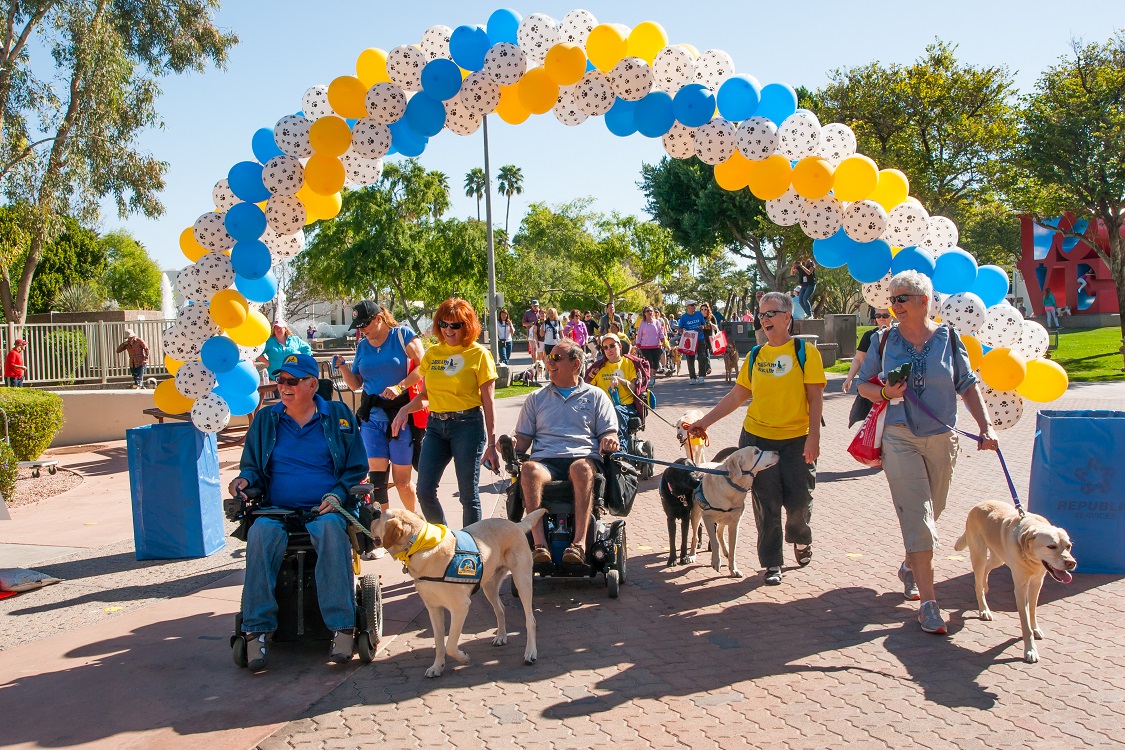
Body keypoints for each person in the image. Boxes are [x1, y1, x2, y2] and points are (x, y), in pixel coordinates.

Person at [857, 270, 998, 635]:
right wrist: (887, 394)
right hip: (898, 435)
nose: (895, 305)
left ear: (924, 301)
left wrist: (985, 427)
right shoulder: (883, 339)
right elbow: (863, 386)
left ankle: (910, 564)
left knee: (934, 511)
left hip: (942, 437)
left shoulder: (949, 340)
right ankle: (929, 603)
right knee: (918, 517)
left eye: (902, 298)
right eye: (892, 299)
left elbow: (967, 385)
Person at [228, 353, 368, 670]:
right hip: (277, 510)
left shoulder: (338, 416)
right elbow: (252, 467)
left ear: (311, 384)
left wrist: (338, 493)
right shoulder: (266, 420)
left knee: (332, 532)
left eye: (292, 381)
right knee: (261, 534)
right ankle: (256, 631)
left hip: (326, 508)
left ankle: (343, 627)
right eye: (280, 380)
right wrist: (243, 480)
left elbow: (356, 468)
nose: (284, 387)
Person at [686, 291, 825, 587]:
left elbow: (815, 397)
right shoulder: (756, 356)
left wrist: (814, 438)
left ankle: (801, 538)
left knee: (800, 503)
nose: (764, 319)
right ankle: (772, 562)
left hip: (797, 440)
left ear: (788, 317)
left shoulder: (805, 353)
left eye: (771, 313)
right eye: (761, 314)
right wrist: (704, 422)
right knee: (767, 504)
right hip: (757, 441)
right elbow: (738, 395)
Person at [391, 298, 499, 528]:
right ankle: (444, 540)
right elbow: (426, 396)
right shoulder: (433, 354)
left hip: (467, 425)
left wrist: (492, 443)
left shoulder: (479, 355)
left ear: (467, 326)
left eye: (455, 325)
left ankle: (471, 548)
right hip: (436, 426)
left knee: (468, 495)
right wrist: (404, 409)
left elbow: (488, 403)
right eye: (443, 323)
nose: (448, 330)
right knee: (424, 491)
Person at [513, 339, 619, 566]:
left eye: (557, 358)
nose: (550, 363)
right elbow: (522, 440)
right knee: (529, 468)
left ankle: (579, 545)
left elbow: (610, 432)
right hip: (546, 461)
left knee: (580, 468)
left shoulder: (596, 396)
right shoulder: (536, 398)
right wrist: (511, 443)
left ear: (575, 364)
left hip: (582, 458)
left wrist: (610, 439)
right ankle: (539, 545)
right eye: (549, 358)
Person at [333, 300, 424, 522]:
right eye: (358, 326)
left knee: (402, 482)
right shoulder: (363, 346)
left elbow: (424, 366)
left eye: (364, 324)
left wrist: (399, 386)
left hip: (401, 416)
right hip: (372, 418)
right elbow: (356, 384)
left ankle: (412, 522)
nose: (361, 330)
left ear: (379, 319)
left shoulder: (402, 335)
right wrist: (344, 367)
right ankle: (384, 529)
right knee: (376, 480)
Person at [585, 332, 651, 446]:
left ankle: (620, 450)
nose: (609, 349)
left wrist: (621, 381)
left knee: (616, 411)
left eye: (612, 345)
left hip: (626, 406)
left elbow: (636, 388)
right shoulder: (599, 368)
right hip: (603, 407)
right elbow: (588, 387)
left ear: (619, 346)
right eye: (605, 347)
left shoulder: (629, 363)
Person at [842, 308, 893, 393]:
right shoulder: (869, 335)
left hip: (892, 382)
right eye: (878, 315)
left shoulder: (899, 335)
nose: (881, 318)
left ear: (892, 317)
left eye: (885, 315)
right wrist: (849, 379)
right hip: (871, 382)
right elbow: (858, 359)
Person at [678, 300, 709, 384]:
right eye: (692, 305)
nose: (694, 307)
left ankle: (701, 376)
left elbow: (704, 324)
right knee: (690, 358)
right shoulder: (684, 317)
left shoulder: (699, 314)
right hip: (690, 340)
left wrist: (702, 327)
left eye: (695, 305)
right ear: (687, 306)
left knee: (702, 357)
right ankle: (692, 377)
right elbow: (680, 328)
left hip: (700, 338)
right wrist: (683, 330)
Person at [633, 306, 665, 382]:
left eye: (651, 311)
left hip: (656, 346)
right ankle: (650, 379)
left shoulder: (657, 322)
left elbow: (660, 332)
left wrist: (663, 340)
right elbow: (639, 335)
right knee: (649, 362)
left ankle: (652, 375)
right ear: (644, 313)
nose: (649, 312)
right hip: (645, 347)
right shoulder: (642, 323)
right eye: (647, 311)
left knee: (656, 365)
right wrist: (638, 345)